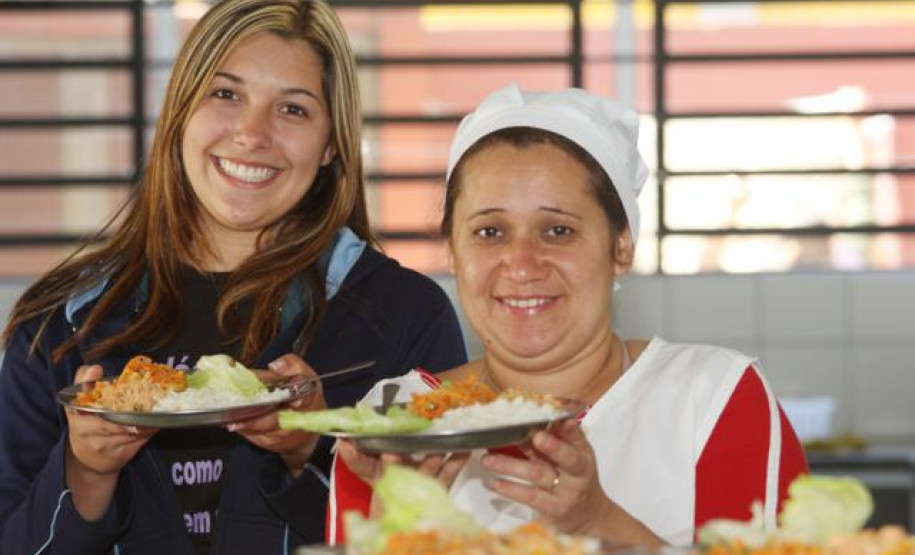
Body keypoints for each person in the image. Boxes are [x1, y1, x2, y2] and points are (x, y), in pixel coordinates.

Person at [0, 0, 466, 553]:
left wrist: (310, 453)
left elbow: (448, 534)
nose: (251, 133)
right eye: (225, 94)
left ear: (331, 144)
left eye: (292, 109)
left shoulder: (406, 315)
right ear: (181, 112)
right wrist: (85, 473)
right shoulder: (61, 323)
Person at [327, 84, 809, 548]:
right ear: (453, 250)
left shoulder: (710, 398)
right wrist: (388, 537)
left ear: (621, 246)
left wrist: (598, 521)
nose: (521, 265)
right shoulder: (393, 421)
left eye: (558, 230)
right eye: (490, 231)